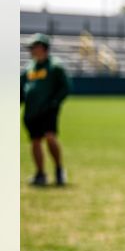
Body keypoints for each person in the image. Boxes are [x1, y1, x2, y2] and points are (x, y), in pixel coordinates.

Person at [20, 33, 71, 187]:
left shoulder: (55, 66)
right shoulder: (28, 68)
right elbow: (21, 90)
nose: (32, 50)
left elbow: (66, 87)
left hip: (48, 110)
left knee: (50, 137)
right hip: (31, 111)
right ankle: (40, 173)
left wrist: (54, 102)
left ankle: (59, 169)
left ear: (43, 47)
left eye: (34, 47)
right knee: (35, 141)